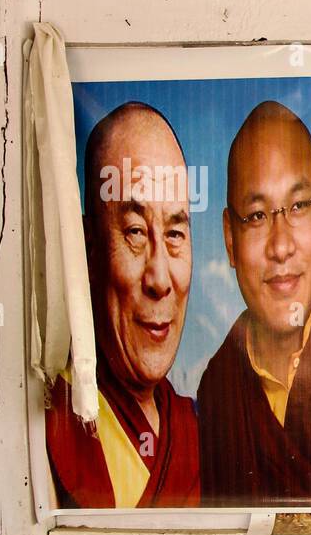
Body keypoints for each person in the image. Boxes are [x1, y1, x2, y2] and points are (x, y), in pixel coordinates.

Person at [197, 101, 311, 505]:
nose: (281, 246)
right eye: (255, 217)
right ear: (229, 240)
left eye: (299, 206)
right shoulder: (219, 388)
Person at [46, 102, 200, 508]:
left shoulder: (196, 428)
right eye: (134, 231)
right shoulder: (59, 417)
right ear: (88, 245)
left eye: (175, 234)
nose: (160, 279)